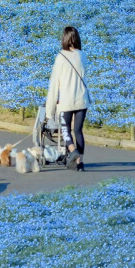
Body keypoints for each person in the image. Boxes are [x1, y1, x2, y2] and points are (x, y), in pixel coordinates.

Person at [45, 25, 91, 171]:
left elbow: (54, 86)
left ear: (64, 39)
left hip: (66, 101)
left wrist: (49, 112)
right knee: (78, 131)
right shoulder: (82, 55)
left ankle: (74, 152)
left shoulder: (61, 58)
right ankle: (80, 163)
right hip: (82, 100)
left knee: (65, 130)